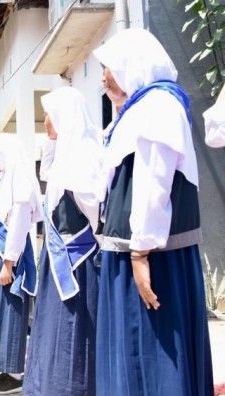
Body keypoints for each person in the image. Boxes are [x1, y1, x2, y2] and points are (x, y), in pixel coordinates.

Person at [93, 28, 213, 396]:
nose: (103, 77)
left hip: (155, 258)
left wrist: (141, 252)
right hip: (137, 255)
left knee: (153, 355)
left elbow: (152, 181)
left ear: (131, 66)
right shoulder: (141, 108)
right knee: (137, 356)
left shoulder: (157, 106)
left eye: (109, 68)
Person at [22, 86, 102, 396]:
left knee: (74, 333)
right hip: (59, 265)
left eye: (49, 115)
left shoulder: (85, 156)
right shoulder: (66, 154)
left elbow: (97, 216)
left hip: (79, 267)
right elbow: (52, 180)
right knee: (54, 331)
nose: (45, 122)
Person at [0, 134, 42, 395]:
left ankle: (17, 373)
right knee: (0, 311)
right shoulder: (5, 179)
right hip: (3, 254)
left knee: (11, 310)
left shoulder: (21, 178)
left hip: (11, 256)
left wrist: (8, 262)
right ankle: (7, 368)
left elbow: (17, 225)